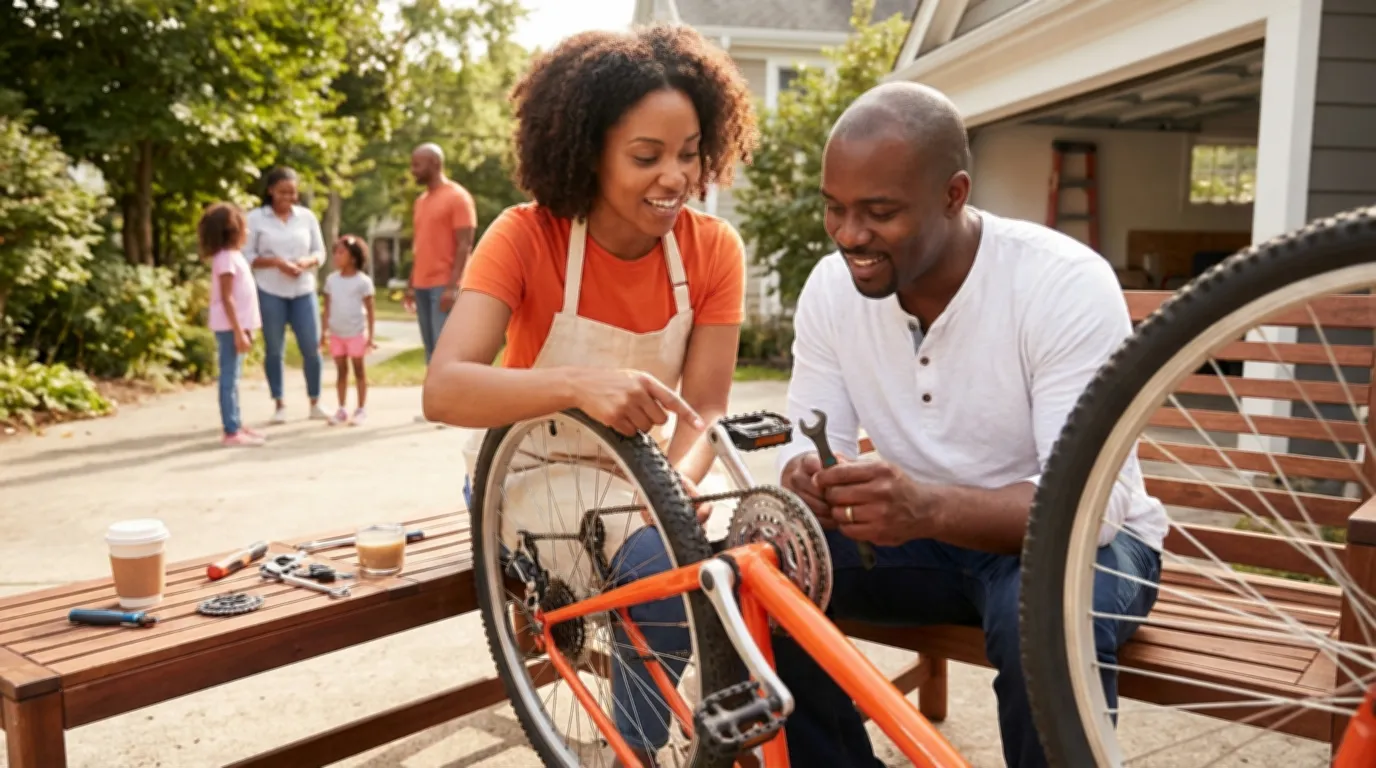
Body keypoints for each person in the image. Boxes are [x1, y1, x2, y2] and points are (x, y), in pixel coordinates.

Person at [770, 82, 1169, 768]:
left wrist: (925, 506)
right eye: (835, 208)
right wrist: (807, 481)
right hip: (918, 545)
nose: (848, 235)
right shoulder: (832, 290)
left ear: (954, 194)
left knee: (1037, 620)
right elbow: (812, 443)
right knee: (759, 579)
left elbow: (1088, 510)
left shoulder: (1060, 283)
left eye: (880, 211)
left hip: (1083, 549)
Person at [420, 23, 757, 764]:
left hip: (644, 477)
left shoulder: (712, 251)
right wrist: (577, 385)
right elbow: (443, 390)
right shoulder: (525, 237)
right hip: (528, 473)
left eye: (690, 152)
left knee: (746, 569)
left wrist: (670, 488)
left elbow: (706, 408)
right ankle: (635, 754)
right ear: (587, 150)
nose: (674, 176)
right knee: (658, 584)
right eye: (646, 157)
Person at [244, 166, 328, 424]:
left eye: (293, 192)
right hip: (270, 291)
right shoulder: (256, 218)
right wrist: (276, 263)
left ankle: (315, 401)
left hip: (303, 289)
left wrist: (306, 261)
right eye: (283, 192)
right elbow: (246, 256)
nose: (289, 197)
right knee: (274, 349)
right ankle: (279, 403)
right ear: (270, 191)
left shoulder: (306, 217)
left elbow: (320, 253)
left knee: (311, 347)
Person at [200, 202, 265, 448]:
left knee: (235, 377)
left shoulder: (234, 257)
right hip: (230, 328)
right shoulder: (225, 259)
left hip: (238, 326)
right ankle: (230, 430)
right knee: (229, 378)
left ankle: (236, 423)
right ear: (232, 231)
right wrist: (238, 331)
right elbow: (227, 298)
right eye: (244, 228)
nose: (247, 232)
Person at [406, 143, 476, 364]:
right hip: (421, 285)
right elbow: (420, 246)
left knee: (443, 352)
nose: (413, 170)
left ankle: (453, 398)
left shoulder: (458, 198)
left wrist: (453, 286)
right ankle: (435, 398)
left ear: (435, 164)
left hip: (444, 285)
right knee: (430, 350)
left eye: (417, 165)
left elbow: (465, 245)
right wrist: (410, 283)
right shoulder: (421, 201)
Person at [321, 235, 377, 426]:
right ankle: (342, 408)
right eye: (335, 252)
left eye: (341, 252)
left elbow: (370, 310)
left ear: (353, 257)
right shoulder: (331, 281)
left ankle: (361, 409)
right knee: (341, 371)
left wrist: (371, 336)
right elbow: (326, 308)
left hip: (356, 333)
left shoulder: (363, 282)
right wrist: (323, 333)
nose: (336, 256)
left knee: (359, 370)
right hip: (337, 334)